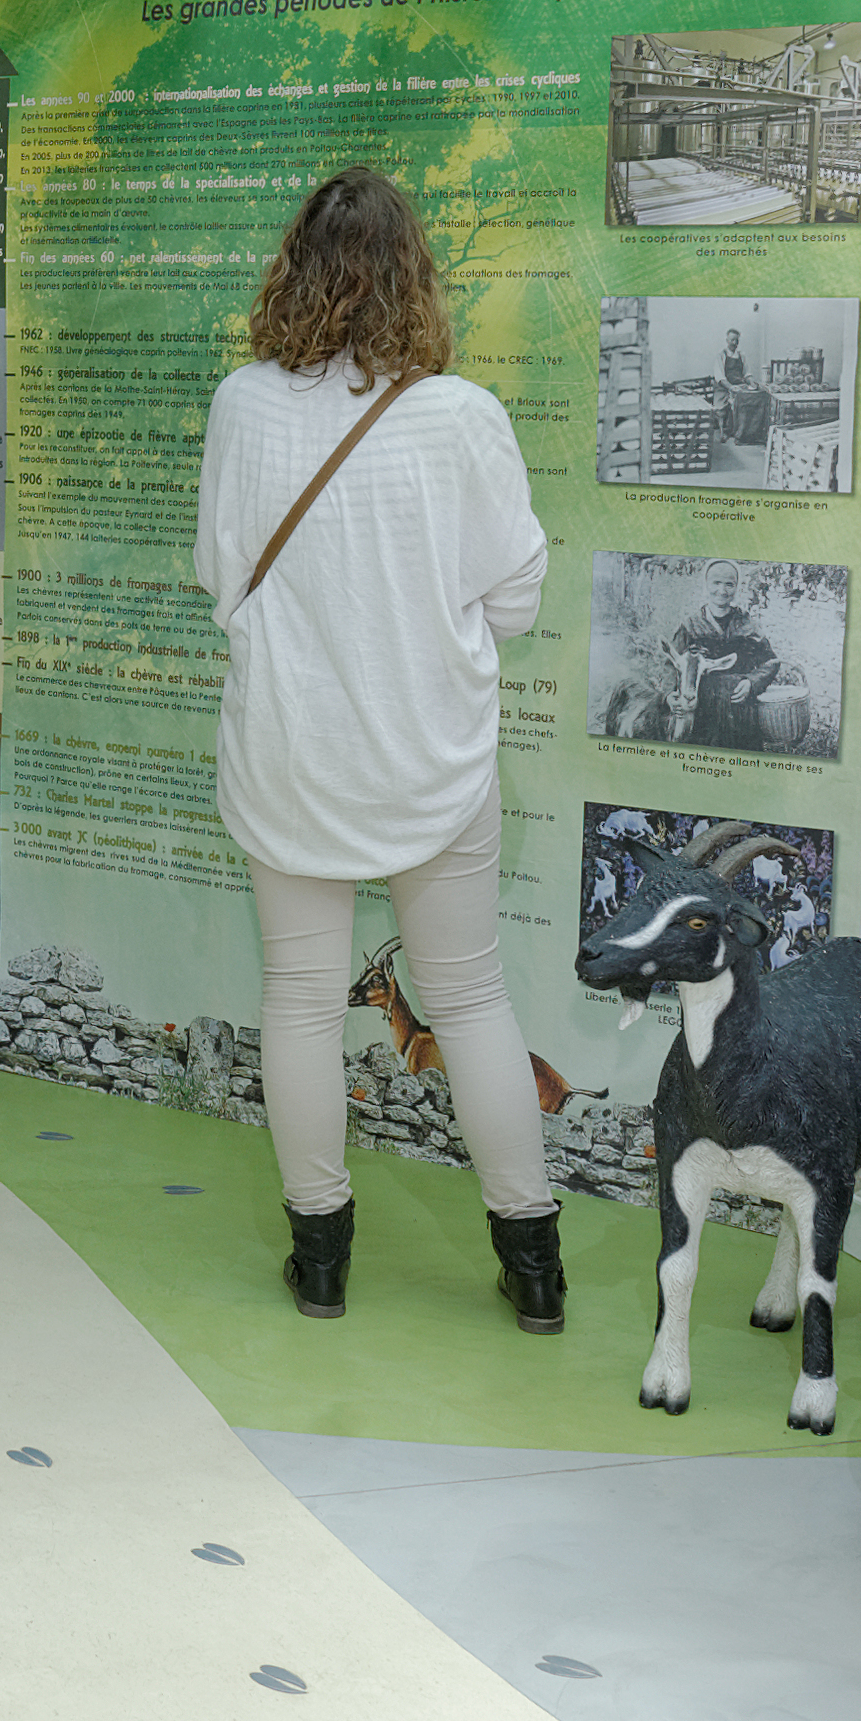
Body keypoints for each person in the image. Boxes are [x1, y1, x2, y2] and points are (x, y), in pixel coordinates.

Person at [192, 165, 564, 1330]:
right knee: (469, 996)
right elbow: (517, 602)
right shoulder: (463, 418)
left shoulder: (243, 405)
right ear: (415, 278)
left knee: (302, 998)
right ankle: (534, 1265)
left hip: (292, 753)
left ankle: (319, 1260)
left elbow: (218, 575)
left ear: (294, 273)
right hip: (430, 759)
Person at [670, 560, 783, 753]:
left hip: (741, 712)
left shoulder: (747, 625)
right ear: (706, 584)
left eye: (729, 584)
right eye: (716, 583)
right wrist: (669, 696)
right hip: (703, 713)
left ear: (736, 587)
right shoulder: (691, 626)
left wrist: (751, 682)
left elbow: (771, 661)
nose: (722, 591)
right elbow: (670, 664)